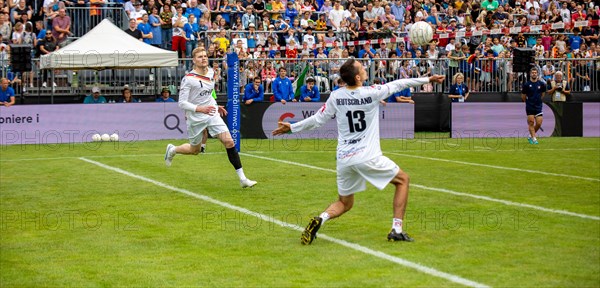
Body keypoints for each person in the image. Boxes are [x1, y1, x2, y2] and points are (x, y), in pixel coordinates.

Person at [273, 58, 444, 244]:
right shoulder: (372, 93)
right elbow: (399, 84)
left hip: (344, 158)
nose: (364, 69)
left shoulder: (336, 96)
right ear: (357, 77)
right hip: (367, 156)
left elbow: (317, 120)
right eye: (362, 68)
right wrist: (428, 80)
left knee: (345, 203)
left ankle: (320, 218)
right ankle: (397, 229)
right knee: (403, 180)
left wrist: (292, 127)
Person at [164, 47, 257, 188]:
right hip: (195, 117)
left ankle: (243, 179)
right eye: (200, 56)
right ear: (194, 60)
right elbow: (181, 103)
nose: (204, 58)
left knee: (229, 142)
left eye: (205, 56)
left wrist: (215, 105)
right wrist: (199, 108)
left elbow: (208, 94)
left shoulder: (212, 72)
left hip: (211, 113)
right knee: (194, 150)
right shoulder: (188, 79)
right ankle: (173, 150)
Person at [521, 68, 546, 144]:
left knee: (539, 123)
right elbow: (523, 96)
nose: (534, 74)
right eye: (533, 73)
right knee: (531, 122)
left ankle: (530, 136)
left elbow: (543, 94)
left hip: (538, 106)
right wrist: (528, 102)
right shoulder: (526, 85)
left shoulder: (541, 84)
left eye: (535, 73)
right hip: (530, 106)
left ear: (537, 74)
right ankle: (534, 138)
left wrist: (538, 100)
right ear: (530, 74)